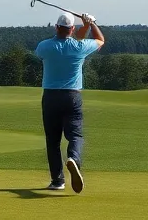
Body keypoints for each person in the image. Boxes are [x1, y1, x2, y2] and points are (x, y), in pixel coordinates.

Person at [35, 12, 105, 193]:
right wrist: (91, 23)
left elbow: (54, 44)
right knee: (75, 136)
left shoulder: (45, 46)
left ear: (56, 27)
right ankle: (73, 157)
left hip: (50, 97)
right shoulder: (79, 47)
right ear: (72, 29)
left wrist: (85, 26)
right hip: (72, 96)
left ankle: (57, 181)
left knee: (53, 141)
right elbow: (100, 40)